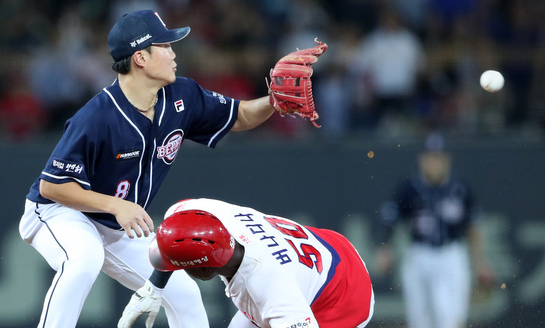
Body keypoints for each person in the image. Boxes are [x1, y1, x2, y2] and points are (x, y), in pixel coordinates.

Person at [19, 9, 278, 328]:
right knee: (83, 258)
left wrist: (274, 101)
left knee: (183, 291)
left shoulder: (181, 95)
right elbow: (52, 187)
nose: (173, 53)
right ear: (140, 57)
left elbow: (239, 115)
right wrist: (116, 206)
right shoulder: (97, 117)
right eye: (165, 46)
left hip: (114, 222)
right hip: (60, 212)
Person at [118, 198, 375, 328]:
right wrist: (155, 287)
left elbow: (276, 294)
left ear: (206, 270)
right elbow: (175, 235)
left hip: (344, 297)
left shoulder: (269, 287)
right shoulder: (198, 211)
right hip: (324, 249)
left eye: (182, 265)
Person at [374, 132, 495, 328]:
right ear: (422, 159)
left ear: (447, 160)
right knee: (419, 322)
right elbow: (390, 218)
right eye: (430, 157)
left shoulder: (460, 188)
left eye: (439, 157)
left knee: (449, 319)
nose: (434, 163)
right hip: (419, 255)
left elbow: (473, 227)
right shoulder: (410, 188)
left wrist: (481, 261)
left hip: (451, 255)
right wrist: (385, 247)